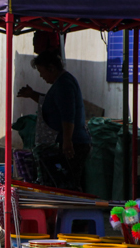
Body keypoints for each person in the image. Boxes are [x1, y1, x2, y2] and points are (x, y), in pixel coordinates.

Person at [18, 52, 92, 191]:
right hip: (70, 141)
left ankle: (72, 211)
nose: (41, 76)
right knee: (64, 182)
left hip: (74, 143)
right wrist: (32, 94)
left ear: (51, 68)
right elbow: (51, 102)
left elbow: (68, 114)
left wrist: (67, 141)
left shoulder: (64, 84)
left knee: (68, 184)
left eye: (42, 72)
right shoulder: (61, 84)